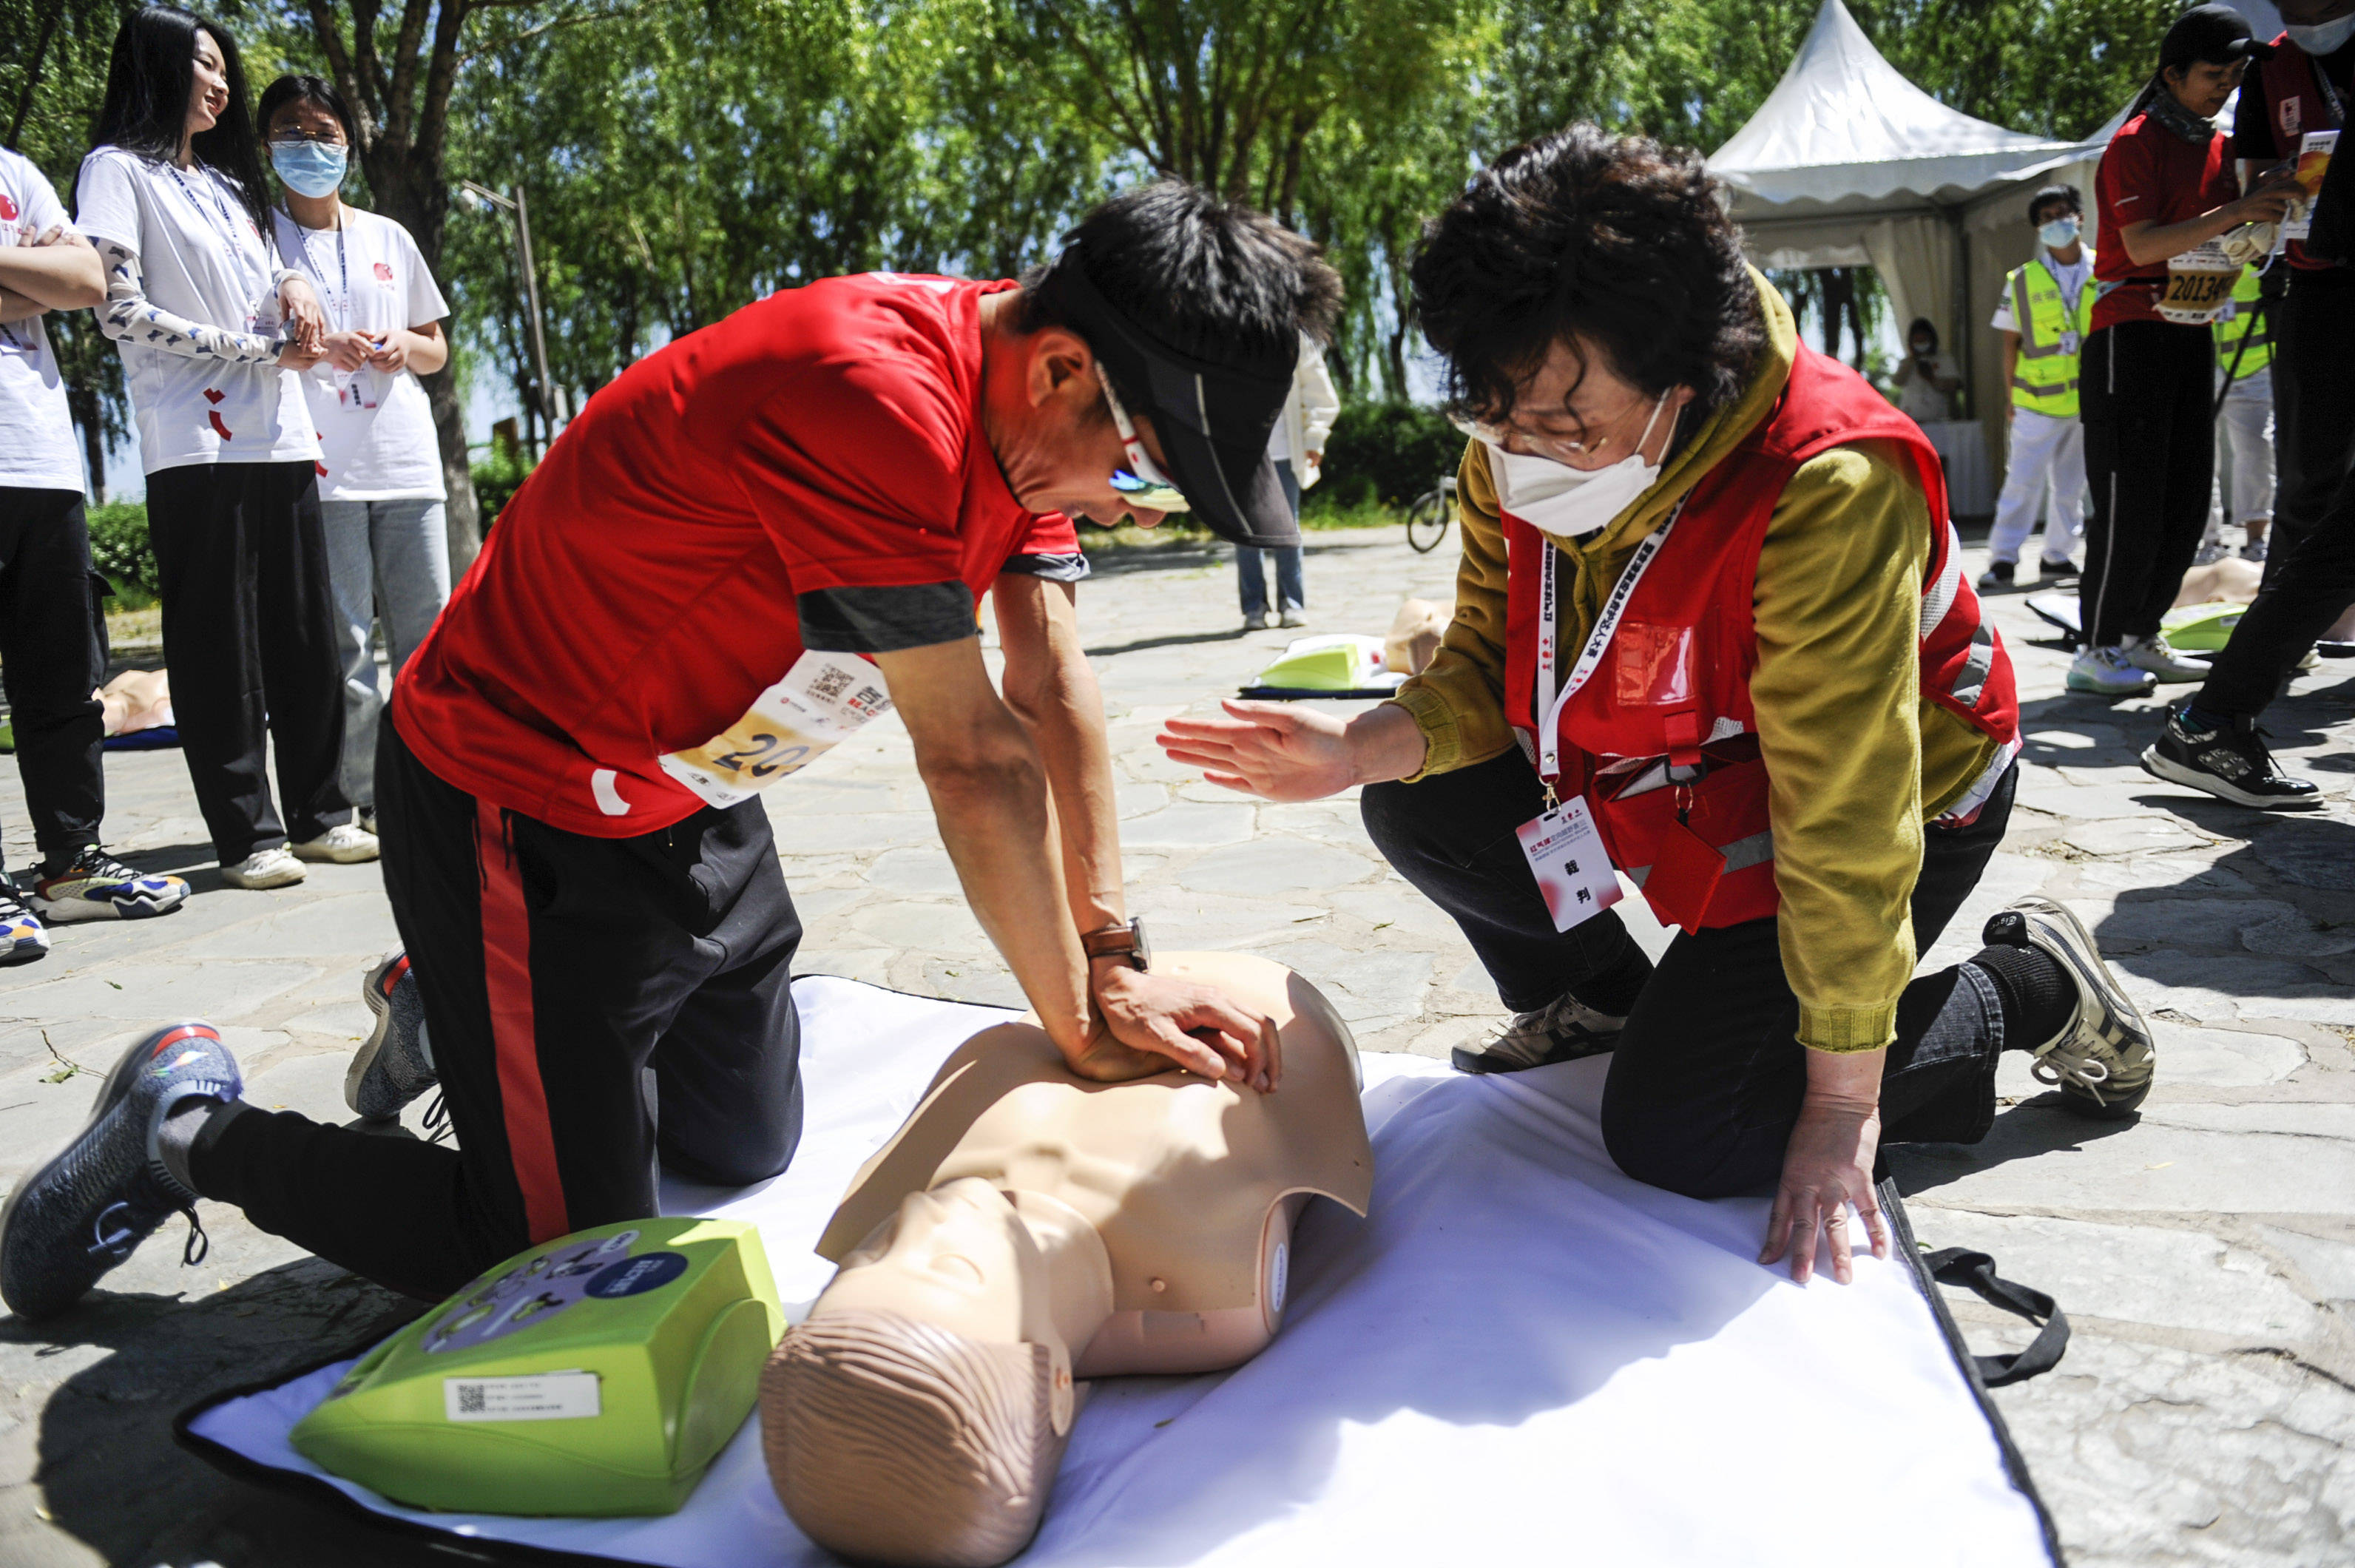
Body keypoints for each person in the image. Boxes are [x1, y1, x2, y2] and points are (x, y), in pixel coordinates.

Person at [0, 182, 1334, 1321]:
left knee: (748, 1144)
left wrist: (1113, 960)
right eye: (1146, 472)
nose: (1123, 503)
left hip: (698, 796)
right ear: (1060, 372)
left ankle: (443, 996)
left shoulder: (1023, 408)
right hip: (517, 799)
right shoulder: (875, 396)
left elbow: (1049, 683)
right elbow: (974, 762)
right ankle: (184, 1128)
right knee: (552, 1252)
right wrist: (1082, 1036)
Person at [1160, 127, 2156, 1288]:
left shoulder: (1824, 484)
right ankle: (1613, 1003)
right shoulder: (1519, 429)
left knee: (1685, 1138)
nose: (1523, 454)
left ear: (1685, 372)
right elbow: (1490, 654)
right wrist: (1364, 741)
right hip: (1674, 781)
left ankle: (2028, 984)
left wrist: (1838, 1112)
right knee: (1416, 798)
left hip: (1879, 811)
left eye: (1567, 426)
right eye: (1496, 416)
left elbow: (1848, 817)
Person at [769, 952, 1368, 1568]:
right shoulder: (1212, 1292)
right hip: (1282, 1007)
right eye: (950, 1269)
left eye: (869, 1259)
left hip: (1106, 988)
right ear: (1056, 1388)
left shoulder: (909, 1203)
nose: (921, 1219)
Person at [72, 5, 377, 888]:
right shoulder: (115, 171)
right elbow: (117, 311)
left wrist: (289, 280)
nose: (220, 84)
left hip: (280, 431)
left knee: (305, 636)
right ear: (157, 67)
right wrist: (254, 350)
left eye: (222, 70)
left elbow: (258, 273)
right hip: (195, 442)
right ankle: (249, 835)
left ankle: (324, 814)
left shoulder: (228, 186)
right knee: (220, 647)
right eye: (204, 66)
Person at [2072, 5, 2304, 695]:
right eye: (2213, 73)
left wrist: (2262, 208)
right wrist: (2236, 211)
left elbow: (2216, 237)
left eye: (2235, 75)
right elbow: (2142, 243)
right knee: (2129, 497)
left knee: (2184, 499)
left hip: (2190, 327)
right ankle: (2097, 646)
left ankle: (2142, 635)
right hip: (2128, 332)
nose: (2225, 86)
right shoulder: (2134, 142)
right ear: (2171, 73)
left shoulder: (2219, 146)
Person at [2143, 66, 2355, 810]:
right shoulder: (2282, 66)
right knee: (2321, 512)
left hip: (2317, 296)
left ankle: (2211, 719)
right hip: (2317, 294)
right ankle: (2210, 719)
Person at [0, 147, 192, 966]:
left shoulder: (14, 171)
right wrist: (28, 275)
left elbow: (85, 283)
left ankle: (71, 863)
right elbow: (53, 281)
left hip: (38, 460)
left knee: (61, 677)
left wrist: (50, 275)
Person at [261, 74, 454, 836]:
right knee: (345, 649)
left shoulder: (388, 236)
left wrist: (402, 345)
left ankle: (440, 784)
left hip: (406, 461)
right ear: (267, 143)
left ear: (349, 143)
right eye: (292, 132)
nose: (311, 148)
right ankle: (372, 799)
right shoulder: (256, 235)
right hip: (318, 468)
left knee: (429, 636)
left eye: (325, 133)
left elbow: (436, 348)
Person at [2231, 0, 2354, 585]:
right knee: (2308, 473)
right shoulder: (2269, 67)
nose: (2304, 14)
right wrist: (2274, 184)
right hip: (2314, 282)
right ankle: (2278, 644)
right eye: (2288, 5)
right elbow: (2251, 179)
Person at [1979, 184, 2096, 592]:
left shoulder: (2105, 271)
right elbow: (2009, 343)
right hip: (2036, 402)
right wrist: (2011, 397)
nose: (2055, 223)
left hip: (2086, 401)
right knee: (2022, 484)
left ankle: (2057, 557)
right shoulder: (2022, 280)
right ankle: (2003, 560)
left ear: (2079, 217)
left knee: (2070, 487)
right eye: (2046, 219)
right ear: (2038, 230)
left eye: (2062, 213)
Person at [1238, 331, 1338, 629]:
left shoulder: (1294, 339)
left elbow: (1320, 393)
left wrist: (1314, 438)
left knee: (1287, 528)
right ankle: (1254, 607)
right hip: (1242, 452)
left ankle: (1292, 604)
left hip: (1285, 452)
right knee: (1243, 530)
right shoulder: (1227, 335)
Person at [2200, 264, 2277, 563]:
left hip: (2252, 370)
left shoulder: (2259, 257)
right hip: (2204, 369)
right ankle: (2210, 541)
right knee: (2203, 458)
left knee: (2256, 453)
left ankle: (2256, 539)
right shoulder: (2199, 246)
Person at [1889, 317, 1959, 424]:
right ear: (1911, 342)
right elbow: (1897, 382)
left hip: (1937, 419)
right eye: (1917, 341)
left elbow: (1953, 386)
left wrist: (1931, 378)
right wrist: (1912, 361)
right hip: (1911, 418)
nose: (1920, 344)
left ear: (1931, 340)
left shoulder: (1944, 358)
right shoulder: (1907, 362)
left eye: (1923, 340)